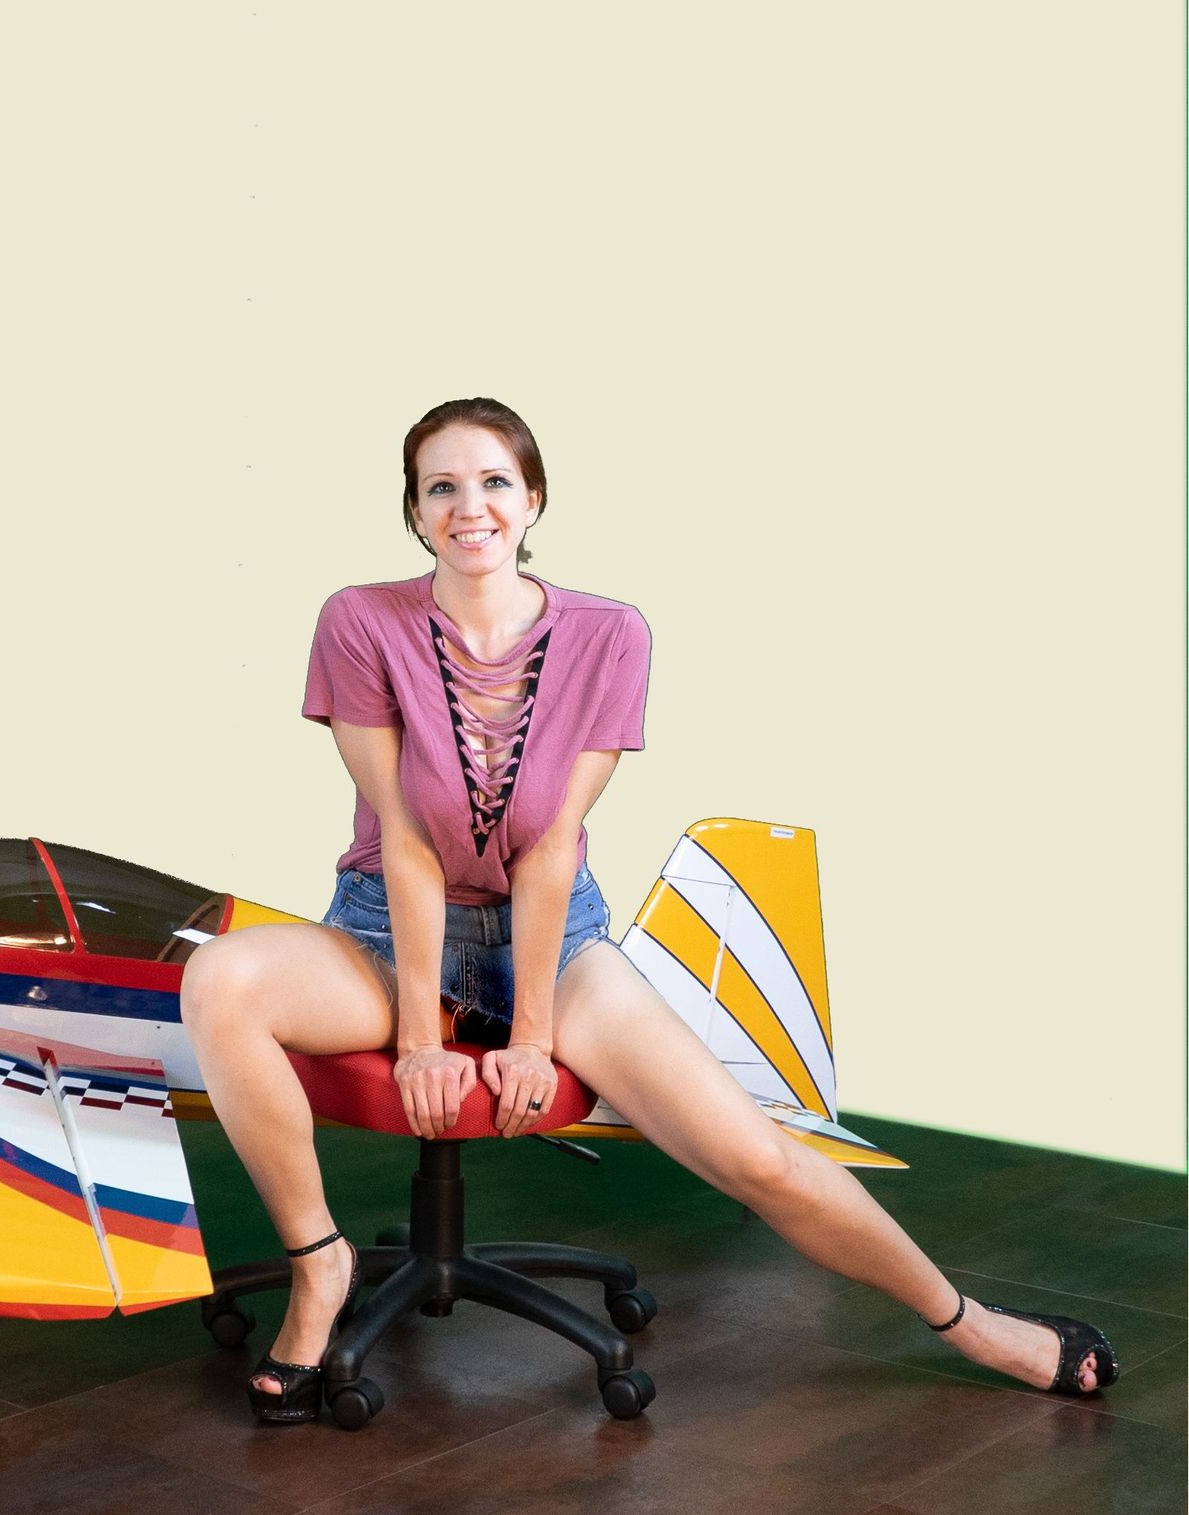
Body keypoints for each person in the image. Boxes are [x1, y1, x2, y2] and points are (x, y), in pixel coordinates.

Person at [179, 396, 1116, 1424]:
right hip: (385, 927)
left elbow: (550, 844)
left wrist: (531, 1036)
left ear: (533, 500)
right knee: (219, 979)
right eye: (439, 486)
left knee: (757, 1157)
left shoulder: (608, 634)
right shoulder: (361, 620)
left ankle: (976, 1326)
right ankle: (319, 1264)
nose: (467, 506)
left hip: (550, 937)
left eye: (493, 482)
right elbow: (404, 837)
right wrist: (417, 1040)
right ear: (412, 512)